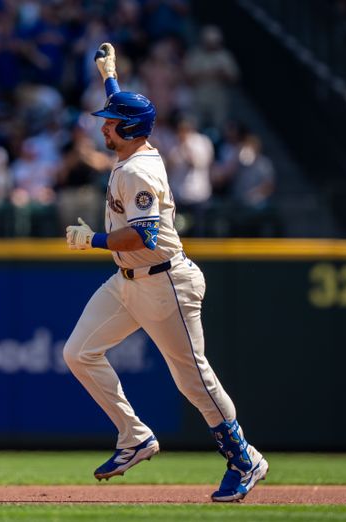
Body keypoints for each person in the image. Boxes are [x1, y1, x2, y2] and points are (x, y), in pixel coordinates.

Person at [63, 43, 269, 503]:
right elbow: (125, 109)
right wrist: (110, 76)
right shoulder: (136, 151)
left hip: (164, 281)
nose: (104, 126)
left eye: (110, 121)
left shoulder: (136, 171)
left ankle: (244, 457)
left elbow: (145, 237)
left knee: (193, 379)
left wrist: (91, 239)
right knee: (79, 353)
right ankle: (134, 436)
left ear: (129, 129)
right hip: (128, 282)